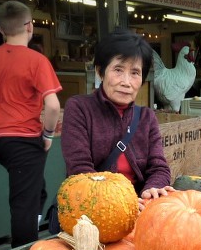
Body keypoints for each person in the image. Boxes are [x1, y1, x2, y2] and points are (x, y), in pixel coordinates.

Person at [0, 0, 62, 248]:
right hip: (24, 140)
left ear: (1, 30)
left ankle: (30, 231)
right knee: (24, 204)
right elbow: (53, 106)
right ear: (30, 26)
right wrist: (48, 135)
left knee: (37, 192)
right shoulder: (37, 60)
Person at [61, 29, 173, 208]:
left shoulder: (146, 117)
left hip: (139, 208)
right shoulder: (79, 108)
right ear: (100, 72)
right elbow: (80, 170)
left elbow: (159, 167)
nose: (126, 82)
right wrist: (121, 203)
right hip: (92, 207)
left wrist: (152, 189)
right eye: (118, 70)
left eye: (135, 73)